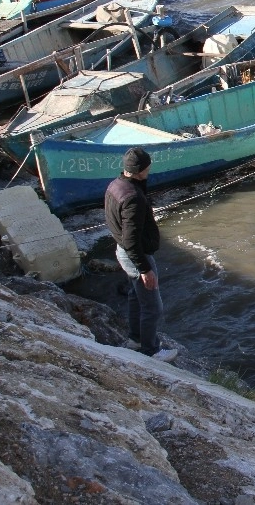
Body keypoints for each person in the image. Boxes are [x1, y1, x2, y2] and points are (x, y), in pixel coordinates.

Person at [104, 147, 178, 363]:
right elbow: (131, 239)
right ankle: (151, 351)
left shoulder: (115, 185)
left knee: (135, 298)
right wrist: (144, 268)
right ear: (139, 171)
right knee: (153, 306)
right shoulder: (133, 198)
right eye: (147, 167)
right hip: (135, 256)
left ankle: (135, 339)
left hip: (122, 252)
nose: (149, 170)